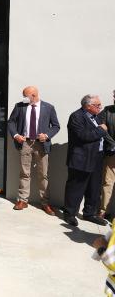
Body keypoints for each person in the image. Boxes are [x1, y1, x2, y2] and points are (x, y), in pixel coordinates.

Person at [7, 86, 60, 215]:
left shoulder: (48, 107)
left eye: (25, 96)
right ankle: (23, 200)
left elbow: (56, 126)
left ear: (34, 95)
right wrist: (16, 135)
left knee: (43, 174)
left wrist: (46, 135)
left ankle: (45, 203)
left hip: (41, 144)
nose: (23, 98)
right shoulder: (20, 106)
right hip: (25, 143)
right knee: (24, 173)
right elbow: (11, 122)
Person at [63, 94, 109, 226]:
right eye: (97, 105)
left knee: (94, 188)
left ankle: (90, 213)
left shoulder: (97, 116)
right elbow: (83, 136)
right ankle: (69, 214)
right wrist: (101, 130)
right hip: (81, 159)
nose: (100, 107)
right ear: (88, 106)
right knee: (76, 187)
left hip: (97, 157)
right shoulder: (76, 117)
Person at [99, 90, 115, 220]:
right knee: (108, 182)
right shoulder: (107, 110)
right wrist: (112, 144)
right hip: (111, 152)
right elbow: (101, 128)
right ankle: (103, 211)